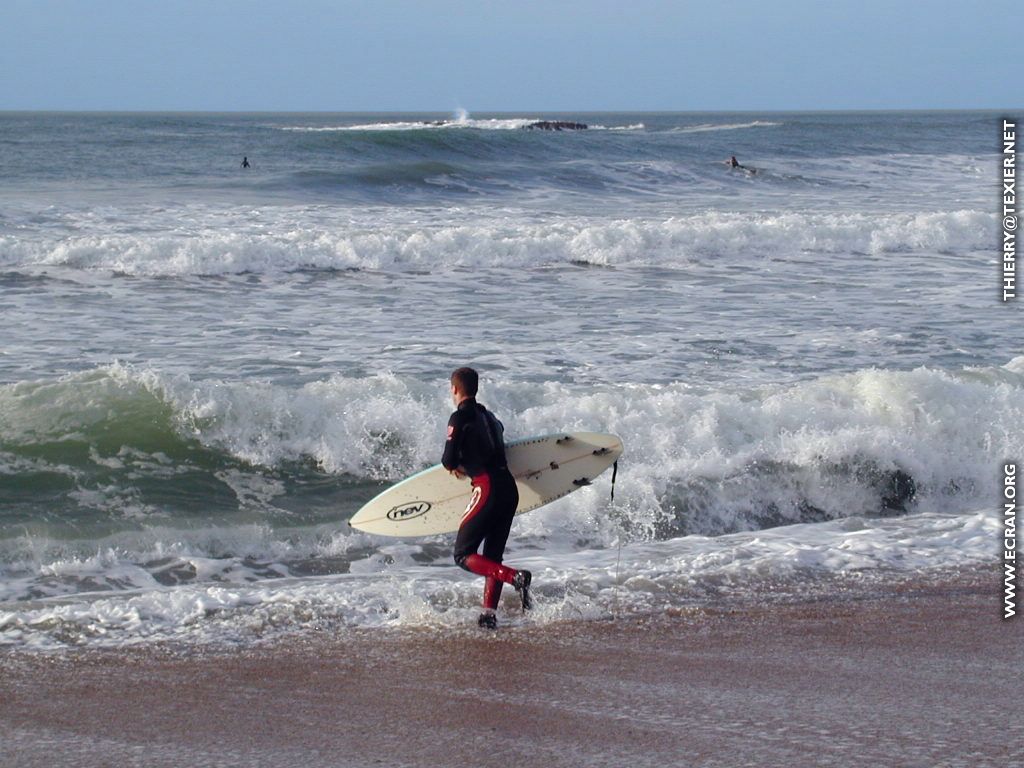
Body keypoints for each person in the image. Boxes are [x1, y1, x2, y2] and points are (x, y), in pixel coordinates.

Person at [442, 367, 531, 629]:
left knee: (462, 554)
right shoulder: (490, 417)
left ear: (455, 389)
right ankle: (489, 615)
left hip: (487, 487)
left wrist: (456, 467)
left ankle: (515, 577)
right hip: (509, 489)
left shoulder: (459, 418)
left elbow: (448, 459)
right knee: (493, 555)